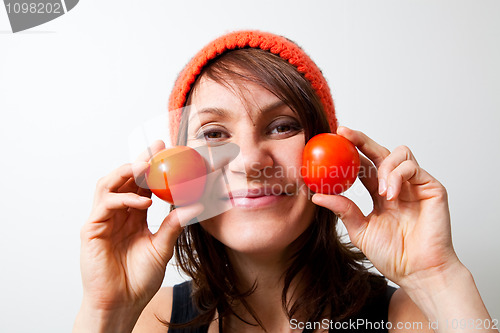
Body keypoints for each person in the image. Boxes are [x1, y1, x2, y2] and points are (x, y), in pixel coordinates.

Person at [73, 31, 497, 333]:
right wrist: (108, 309)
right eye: (215, 134)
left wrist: (437, 277)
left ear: (327, 150)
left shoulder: (406, 319)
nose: (252, 162)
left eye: (281, 126)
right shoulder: (154, 321)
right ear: (178, 169)